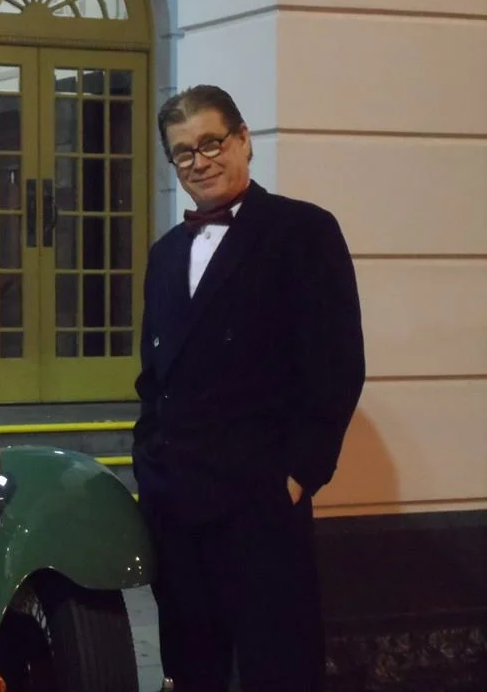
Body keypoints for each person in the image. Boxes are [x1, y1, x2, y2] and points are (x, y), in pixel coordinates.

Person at [132, 84, 366, 692]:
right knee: (192, 666)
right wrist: (148, 460)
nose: (200, 160)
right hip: (177, 505)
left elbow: (337, 366)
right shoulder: (164, 255)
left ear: (243, 141)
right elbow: (153, 379)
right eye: (183, 152)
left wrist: (295, 478)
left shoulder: (303, 231)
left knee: (277, 668)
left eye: (212, 142)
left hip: (259, 504)